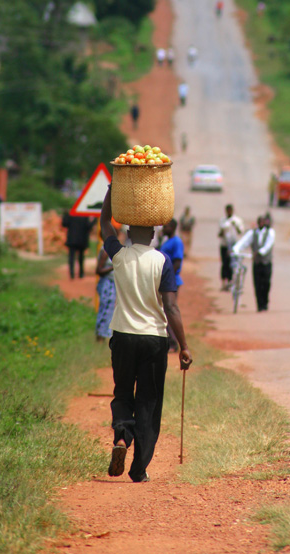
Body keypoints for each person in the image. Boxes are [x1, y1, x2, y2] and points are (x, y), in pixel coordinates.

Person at [100, 185, 192, 483]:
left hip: (123, 336)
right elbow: (171, 307)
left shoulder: (119, 255)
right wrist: (184, 346)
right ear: (153, 234)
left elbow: (104, 225)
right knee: (149, 402)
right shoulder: (162, 261)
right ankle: (138, 469)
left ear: (127, 232)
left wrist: (112, 192)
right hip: (154, 339)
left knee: (123, 392)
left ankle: (122, 437)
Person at [231, 213, 275, 312]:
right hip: (257, 263)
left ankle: (265, 302)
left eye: (262, 221)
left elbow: (268, 245)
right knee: (257, 284)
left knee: (266, 283)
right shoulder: (253, 233)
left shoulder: (270, 232)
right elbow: (244, 242)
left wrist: (259, 252)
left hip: (266, 262)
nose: (261, 223)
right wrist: (235, 249)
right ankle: (259, 305)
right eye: (259, 222)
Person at [158, 219, 185, 352]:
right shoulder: (165, 241)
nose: (164, 228)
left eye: (167, 226)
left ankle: (173, 342)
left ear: (173, 227)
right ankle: (168, 339)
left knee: (170, 310)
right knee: (164, 311)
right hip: (165, 281)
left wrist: (167, 278)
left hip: (172, 281)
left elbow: (177, 262)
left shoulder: (176, 242)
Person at [95, 229, 117, 342]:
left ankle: (102, 335)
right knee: (105, 309)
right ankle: (100, 336)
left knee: (108, 309)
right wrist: (113, 267)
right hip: (106, 283)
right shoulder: (105, 251)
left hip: (111, 283)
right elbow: (99, 270)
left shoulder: (110, 250)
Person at [61, 212, 96, 279]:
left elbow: (64, 224)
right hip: (82, 240)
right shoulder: (84, 215)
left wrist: (65, 215)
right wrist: (94, 220)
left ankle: (72, 274)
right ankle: (81, 274)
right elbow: (89, 227)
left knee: (71, 258)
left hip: (72, 239)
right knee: (81, 258)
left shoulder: (71, 214)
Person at [218, 204, 244, 291]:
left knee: (232, 264)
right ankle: (224, 283)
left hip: (234, 246)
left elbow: (240, 232)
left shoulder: (237, 220)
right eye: (227, 210)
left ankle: (231, 282)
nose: (229, 212)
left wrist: (235, 225)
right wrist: (223, 229)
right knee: (224, 263)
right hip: (224, 245)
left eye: (230, 210)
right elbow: (219, 234)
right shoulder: (222, 220)